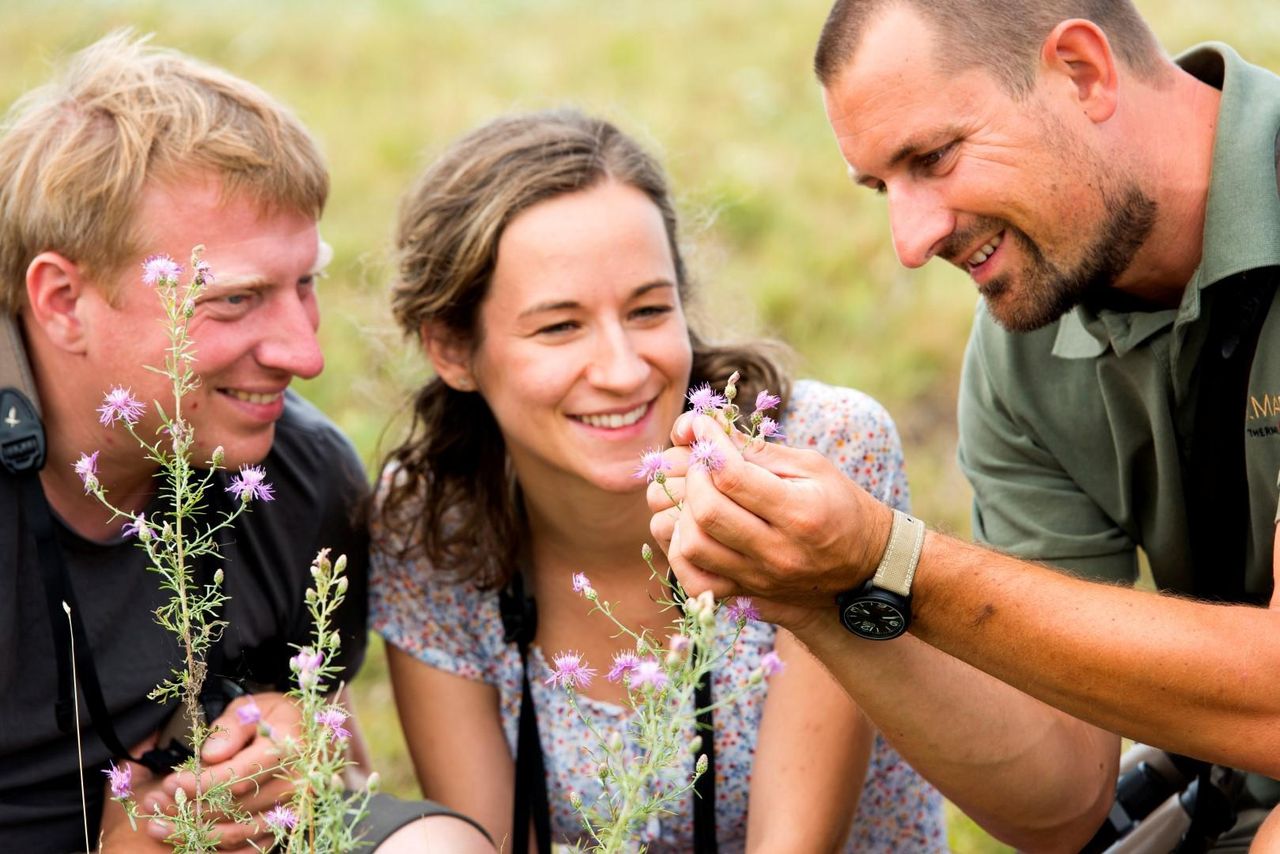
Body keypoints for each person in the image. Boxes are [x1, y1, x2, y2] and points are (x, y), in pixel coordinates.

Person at [648, 0, 1280, 849]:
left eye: (934, 158)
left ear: (1083, 73)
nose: (910, 241)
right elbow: (1059, 802)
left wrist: (894, 557)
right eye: (882, 187)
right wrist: (822, 592)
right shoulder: (1025, 346)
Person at [368, 108, 948, 852]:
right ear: (453, 349)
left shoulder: (817, 458)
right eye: (559, 327)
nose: (622, 369)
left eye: (648, 310)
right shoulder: (429, 525)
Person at [0, 31, 491, 852]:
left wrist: (290, 732)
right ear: (60, 300)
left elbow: (340, 769)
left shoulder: (299, 476)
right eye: (235, 300)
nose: (306, 353)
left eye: (307, 284)